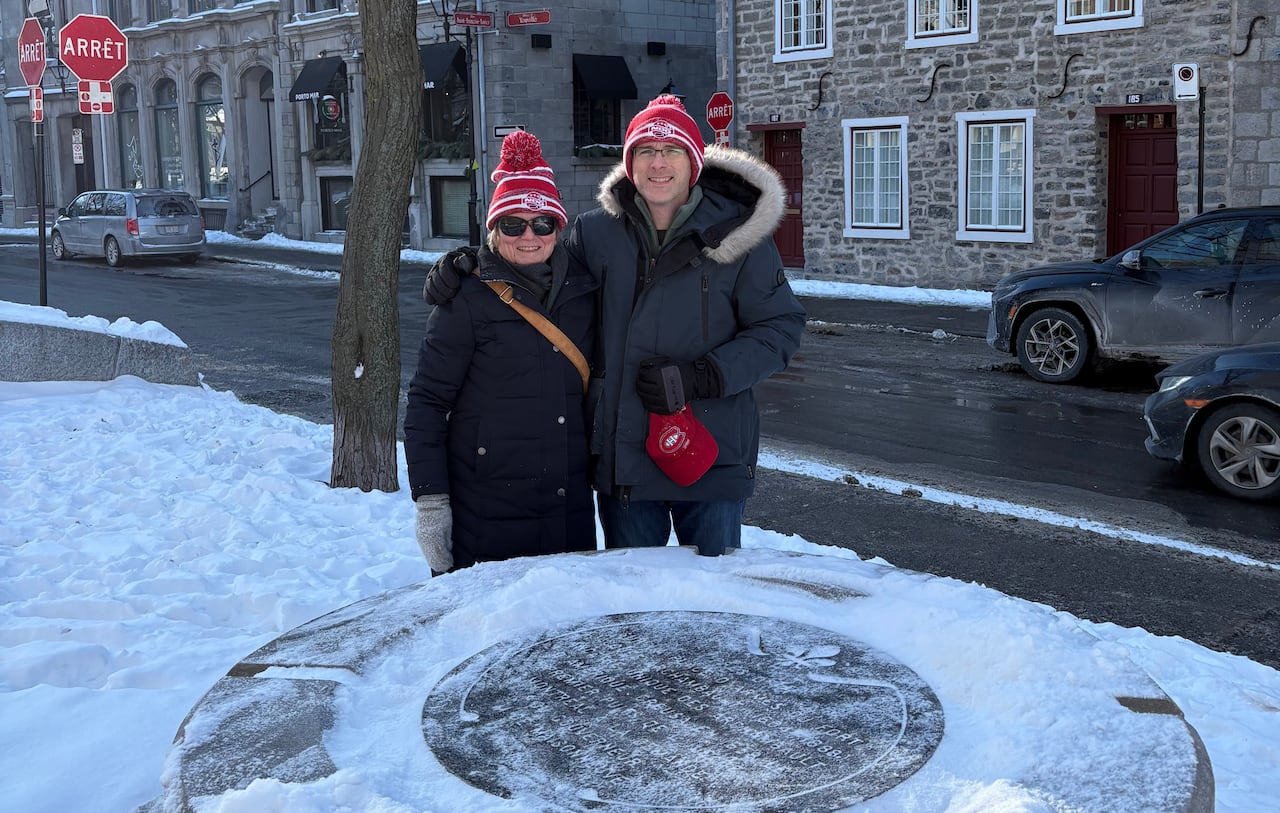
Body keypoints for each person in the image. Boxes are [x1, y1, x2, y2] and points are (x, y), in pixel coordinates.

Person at [426, 95, 804, 557]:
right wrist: (472, 265)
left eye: (671, 151)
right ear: (629, 163)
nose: (657, 163)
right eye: (645, 151)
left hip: (711, 453)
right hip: (625, 458)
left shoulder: (740, 236)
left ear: (693, 161)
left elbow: (779, 328)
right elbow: (535, 266)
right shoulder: (595, 233)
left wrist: (705, 375)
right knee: (629, 607)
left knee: (710, 605)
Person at [403, 130, 598, 574]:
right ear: (493, 229)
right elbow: (427, 403)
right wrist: (431, 505)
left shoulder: (584, 293)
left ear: (558, 228)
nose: (529, 235)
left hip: (567, 513)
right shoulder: (466, 299)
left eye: (542, 222)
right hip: (486, 517)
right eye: (513, 224)